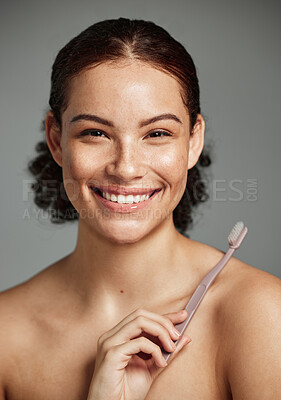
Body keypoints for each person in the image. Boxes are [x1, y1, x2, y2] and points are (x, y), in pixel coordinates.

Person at [0, 17, 280, 400]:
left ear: (193, 142)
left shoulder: (261, 315)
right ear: (57, 140)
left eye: (157, 134)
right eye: (95, 133)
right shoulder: (6, 332)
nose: (126, 168)